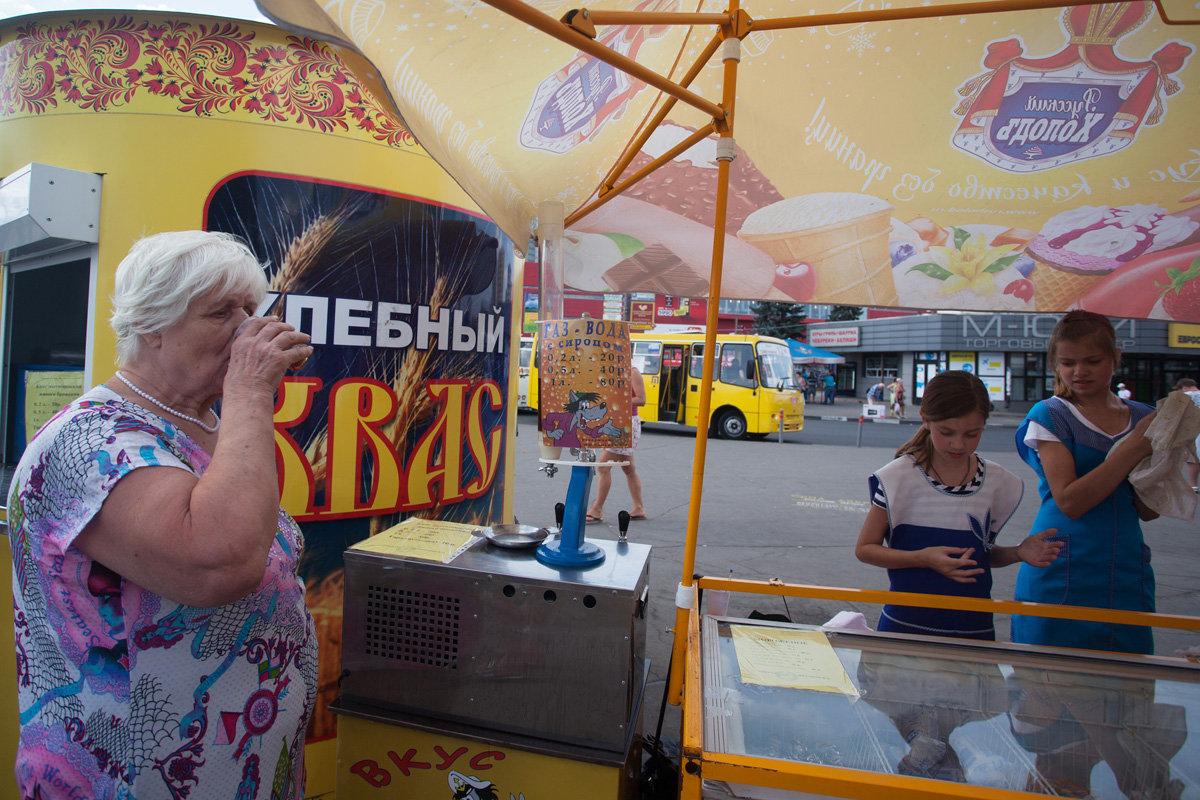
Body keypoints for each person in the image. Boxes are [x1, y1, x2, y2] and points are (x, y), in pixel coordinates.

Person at [6, 231, 318, 798]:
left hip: (233, 762)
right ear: (150, 323)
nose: (249, 328)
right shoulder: (88, 441)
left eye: (251, 309)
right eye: (221, 312)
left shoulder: (197, 425)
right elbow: (217, 562)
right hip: (129, 772)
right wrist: (249, 390)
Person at [854, 370, 1060, 780]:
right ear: (925, 420)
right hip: (907, 627)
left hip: (971, 631)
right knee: (912, 731)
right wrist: (924, 558)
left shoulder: (1001, 484)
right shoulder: (896, 478)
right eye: (947, 432)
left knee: (947, 733)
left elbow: (983, 556)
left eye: (972, 434)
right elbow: (866, 550)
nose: (958, 445)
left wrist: (1019, 553)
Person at [1012, 310, 1158, 655]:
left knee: (1128, 687)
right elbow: (1070, 501)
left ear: (1115, 358)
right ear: (1055, 365)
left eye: (1092, 361)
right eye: (1067, 363)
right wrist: (1134, 447)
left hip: (1124, 564)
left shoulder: (1143, 415)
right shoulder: (1050, 415)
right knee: (1049, 685)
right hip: (1061, 559)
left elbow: (1149, 509)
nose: (1079, 372)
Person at [587, 366, 647, 523]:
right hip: (619, 422)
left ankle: (597, 509)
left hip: (626, 424)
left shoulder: (632, 372)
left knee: (603, 466)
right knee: (628, 468)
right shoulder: (613, 372)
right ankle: (639, 507)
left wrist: (616, 401)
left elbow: (641, 399)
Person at [1176, 378, 1200, 492]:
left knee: (1193, 458)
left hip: (1195, 431)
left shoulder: (1186, 396)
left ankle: (1193, 486)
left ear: (1184, 387)